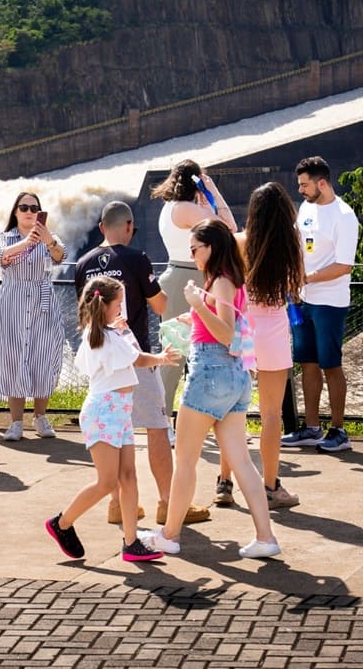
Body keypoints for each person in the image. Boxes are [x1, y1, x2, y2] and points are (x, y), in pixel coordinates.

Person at [141, 219, 281, 559]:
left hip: (211, 372)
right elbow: (224, 326)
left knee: (185, 459)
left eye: (195, 249)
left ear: (212, 247)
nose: (191, 254)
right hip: (234, 376)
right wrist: (195, 316)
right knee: (242, 461)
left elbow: (226, 332)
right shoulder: (233, 280)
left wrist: (198, 306)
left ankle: (169, 535)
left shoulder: (219, 281)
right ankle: (265, 537)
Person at [73, 201, 210, 526]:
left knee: (116, 432)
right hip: (134, 355)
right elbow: (160, 303)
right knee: (157, 427)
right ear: (130, 227)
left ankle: (118, 505)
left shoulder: (83, 263)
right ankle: (167, 502)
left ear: (103, 227)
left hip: (102, 360)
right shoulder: (136, 258)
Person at [45, 275, 178, 563]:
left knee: (128, 476)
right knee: (107, 482)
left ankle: (131, 542)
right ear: (104, 304)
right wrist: (157, 356)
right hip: (104, 412)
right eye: (118, 303)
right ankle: (62, 523)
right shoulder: (103, 335)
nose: (122, 308)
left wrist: (126, 335)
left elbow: (131, 355)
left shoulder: (104, 332)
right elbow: (135, 359)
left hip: (118, 410)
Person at [216, 183, 305, 509]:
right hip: (274, 329)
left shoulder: (238, 243)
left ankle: (224, 482)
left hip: (242, 327)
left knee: (231, 409)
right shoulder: (290, 246)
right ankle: (270, 486)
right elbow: (296, 285)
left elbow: (225, 285)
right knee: (271, 415)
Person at [280, 156, 359, 452]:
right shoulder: (306, 208)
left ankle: (338, 429)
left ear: (321, 183)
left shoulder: (344, 215)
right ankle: (311, 427)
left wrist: (307, 278)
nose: (299, 189)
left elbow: (344, 265)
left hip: (330, 301)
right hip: (304, 298)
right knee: (307, 363)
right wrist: (295, 280)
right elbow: (300, 246)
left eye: (304, 184)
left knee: (331, 364)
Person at [152, 160, 237, 431]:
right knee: (178, 354)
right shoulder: (188, 208)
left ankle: (171, 420)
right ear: (195, 183)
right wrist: (212, 189)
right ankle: (164, 422)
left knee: (180, 353)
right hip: (190, 277)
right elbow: (229, 228)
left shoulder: (169, 208)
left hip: (179, 275)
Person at [0, 191, 66, 441]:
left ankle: (40, 417)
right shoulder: (5, 238)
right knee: (12, 357)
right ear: (15, 212)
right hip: (12, 303)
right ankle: (15, 422)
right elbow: (1, 256)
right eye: (24, 207)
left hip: (43, 302)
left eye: (34, 208)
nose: (29, 211)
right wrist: (28, 241)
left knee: (44, 356)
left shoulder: (50, 238)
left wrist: (46, 238)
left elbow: (61, 255)